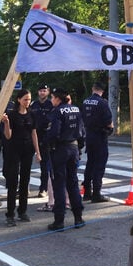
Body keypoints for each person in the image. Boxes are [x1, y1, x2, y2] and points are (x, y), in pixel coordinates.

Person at [45, 88, 85, 231]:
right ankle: (78, 218)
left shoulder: (57, 111)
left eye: (52, 97)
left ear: (57, 98)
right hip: (73, 148)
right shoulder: (76, 109)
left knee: (59, 185)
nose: (51, 100)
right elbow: (82, 132)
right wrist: (79, 148)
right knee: (73, 183)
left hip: (60, 149)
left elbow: (53, 132)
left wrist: (48, 143)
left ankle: (59, 221)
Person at [2, 89, 41, 226]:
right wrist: (6, 123)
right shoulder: (12, 115)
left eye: (29, 99)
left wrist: (38, 152)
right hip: (14, 150)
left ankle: (22, 211)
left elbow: (34, 133)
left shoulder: (32, 114)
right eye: (25, 99)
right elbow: (8, 136)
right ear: (18, 100)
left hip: (27, 150)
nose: (27, 102)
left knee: (25, 181)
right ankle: (10, 214)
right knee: (13, 182)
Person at [81, 81, 113, 203]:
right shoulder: (102, 103)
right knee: (99, 165)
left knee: (90, 164)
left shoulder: (85, 102)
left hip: (89, 135)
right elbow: (109, 122)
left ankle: (87, 192)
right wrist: (110, 129)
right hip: (100, 136)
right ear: (102, 91)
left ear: (93, 89)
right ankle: (96, 194)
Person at [29, 84, 53, 198]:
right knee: (26, 162)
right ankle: (24, 187)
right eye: (41, 91)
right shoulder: (34, 104)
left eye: (44, 91)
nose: (42, 93)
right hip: (33, 134)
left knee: (44, 164)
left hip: (45, 136)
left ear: (48, 92)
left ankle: (43, 189)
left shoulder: (51, 104)